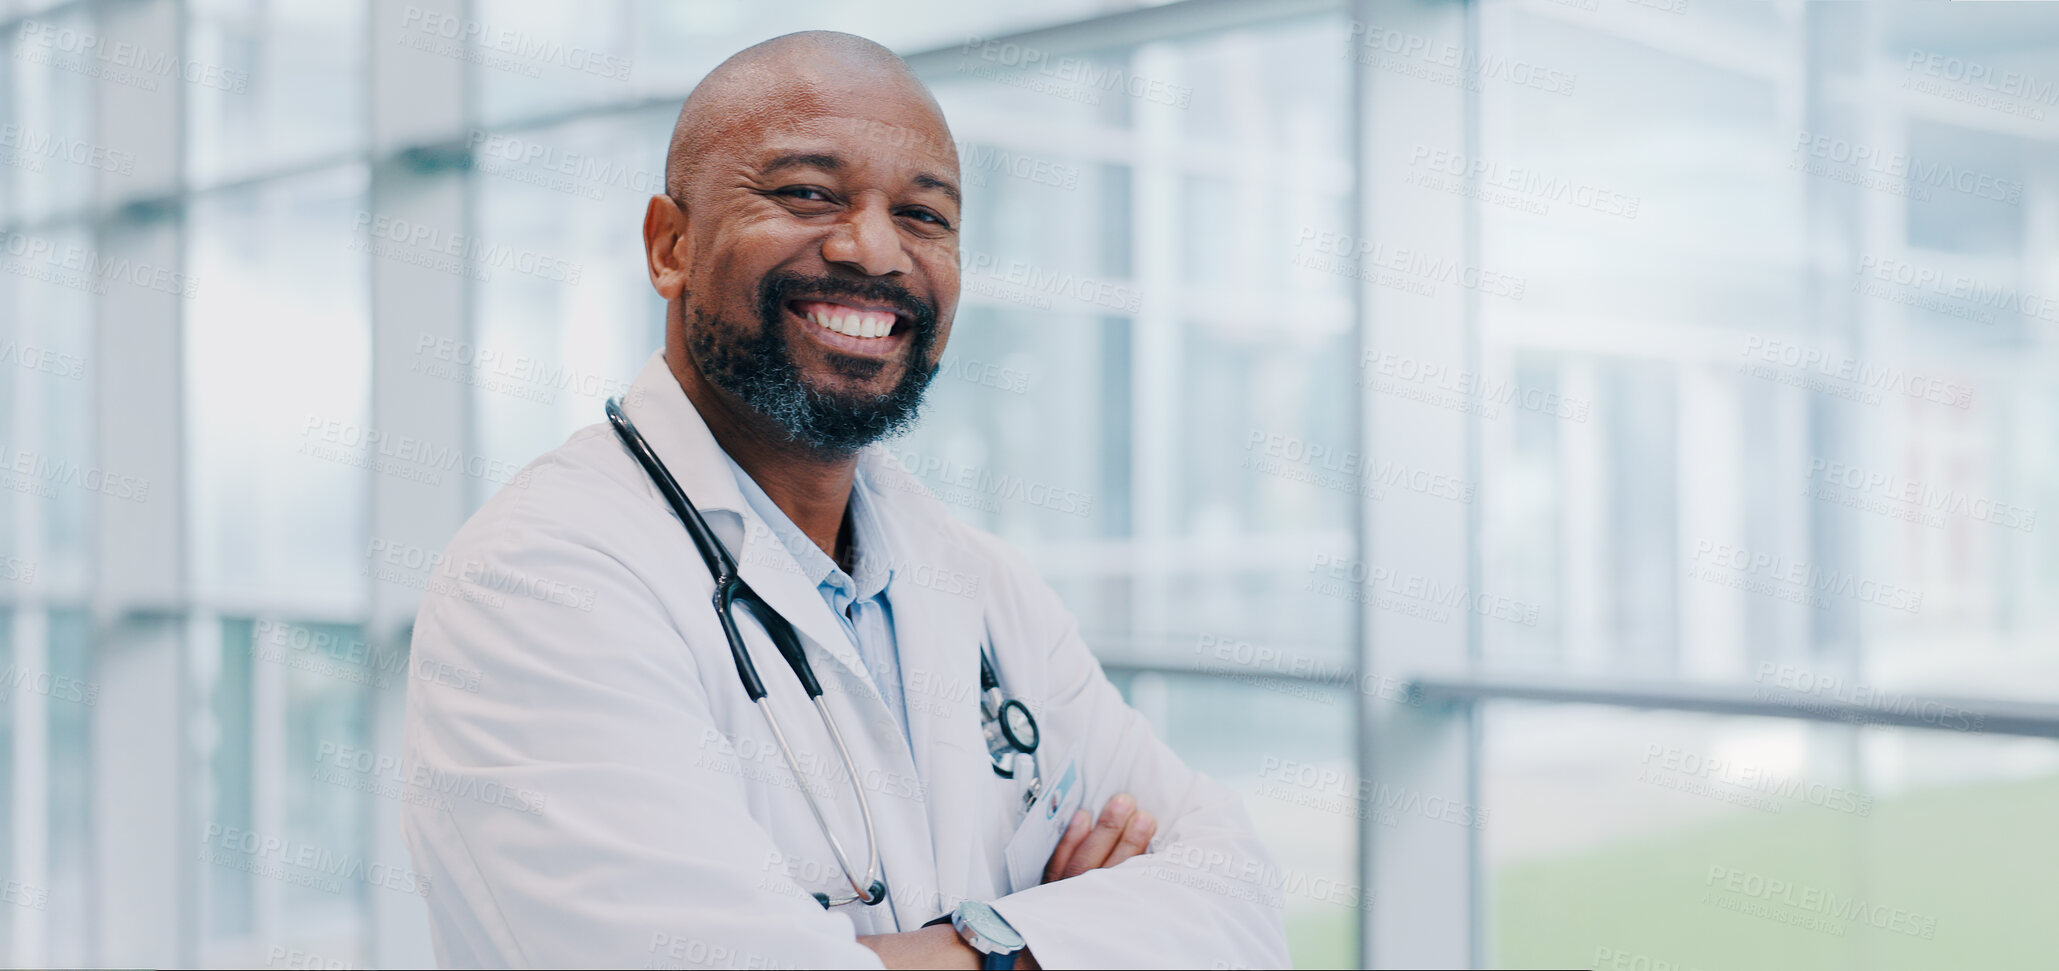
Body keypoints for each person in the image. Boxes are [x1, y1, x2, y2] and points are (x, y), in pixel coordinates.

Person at [400, 30, 1289, 970]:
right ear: (671, 245)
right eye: (807, 193)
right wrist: (1037, 944)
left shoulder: (977, 581)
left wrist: (936, 949)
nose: (872, 249)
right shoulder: (540, 584)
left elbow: (1240, 897)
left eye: (924, 215)